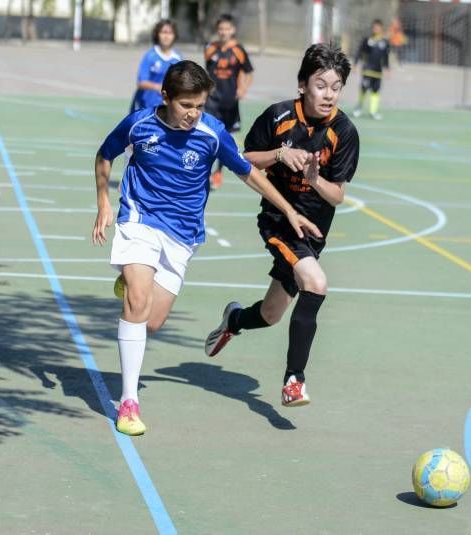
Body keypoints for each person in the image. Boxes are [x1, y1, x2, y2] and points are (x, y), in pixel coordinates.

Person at [93, 60, 320, 436]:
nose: (193, 114)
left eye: (199, 105)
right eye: (186, 105)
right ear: (166, 97)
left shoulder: (212, 133)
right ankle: (129, 400)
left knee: (152, 321)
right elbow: (105, 155)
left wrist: (289, 210)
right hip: (139, 219)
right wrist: (103, 200)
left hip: (182, 235)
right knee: (137, 300)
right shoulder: (139, 124)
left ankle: (135, 286)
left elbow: (249, 173)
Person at [204, 43, 359, 408]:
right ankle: (294, 381)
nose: (328, 94)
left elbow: (337, 195)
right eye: (321, 85)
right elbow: (242, 160)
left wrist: (314, 178)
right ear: (303, 84)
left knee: (272, 314)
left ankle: (235, 320)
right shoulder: (278, 117)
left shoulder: (344, 132)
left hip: (313, 231)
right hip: (279, 220)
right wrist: (279, 154)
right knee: (316, 284)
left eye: (335, 87)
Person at [204, 13, 254, 189]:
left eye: (227, 29)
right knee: (208, 134)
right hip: (211, 100)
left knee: (224, 137)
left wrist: (243, 89)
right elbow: (205, 72)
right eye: (221, 29)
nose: (223, 32)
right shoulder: (210, 48)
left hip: (229, 100)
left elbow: (249, 72)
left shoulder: (238, 50)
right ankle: (205, 171)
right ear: (217, 30)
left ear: (232, 30)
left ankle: (218, 172)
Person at [129, 19, 181, 114]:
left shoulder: (177, 58)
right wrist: (158, 87)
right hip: (146, 106)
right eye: (163, 32)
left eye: (170, 33)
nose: (166, 36)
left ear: (174, 36)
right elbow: (141, 82)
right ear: (157, 34)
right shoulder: (150, 56)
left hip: (166, 107)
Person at [352, 19, 389, 120]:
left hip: (378, 72)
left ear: (381, 28)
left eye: (378, 27)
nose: (376, 29)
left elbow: (386, 57)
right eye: (374, 27)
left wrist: (387, 69)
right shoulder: (367, 40)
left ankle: (373, 112)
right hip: (367, 70)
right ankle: (359, 107)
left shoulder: (384, 42)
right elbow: (359, 52)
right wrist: (355, 64)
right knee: (363, 89)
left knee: (375, 91)